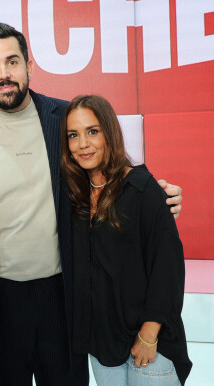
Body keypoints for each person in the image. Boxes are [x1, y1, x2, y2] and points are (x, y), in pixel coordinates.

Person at [0, 22, 184, 386]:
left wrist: (154, 192)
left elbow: (104, 164)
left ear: (30, 67)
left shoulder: (63, 119)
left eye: (12, 62)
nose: (3, 74)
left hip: (63, 294)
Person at [62, 95, 192, 385]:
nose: (83, 144)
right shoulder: (73, 197)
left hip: (149, 346)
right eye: (73, 135)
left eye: (92, 131)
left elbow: (167, 269)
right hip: (101, 347)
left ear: (110, 132)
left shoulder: (144, 189)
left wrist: (148, 334)